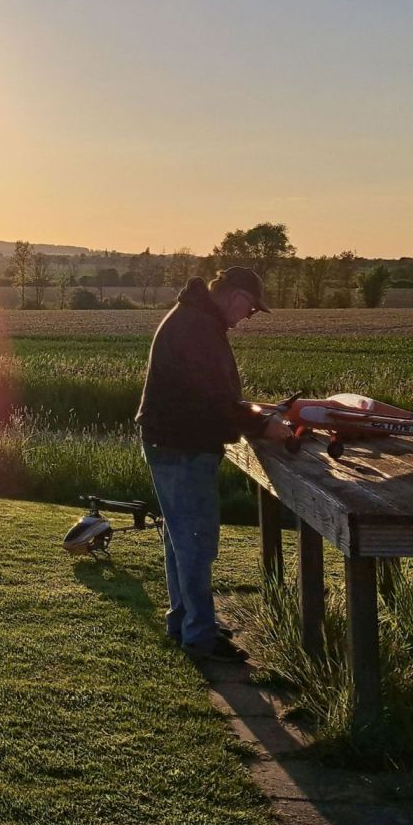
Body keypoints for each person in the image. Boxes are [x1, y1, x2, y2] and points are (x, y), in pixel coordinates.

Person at [135, 268, 282, 662]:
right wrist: (265, 426)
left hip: (171, 441)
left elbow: (213, 395)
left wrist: (253, 415)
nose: (248, 317)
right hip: (182, 446)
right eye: (251, 308)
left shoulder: (194, 318)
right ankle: (199, 635)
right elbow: (216, 398)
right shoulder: (199, 327)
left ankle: (185, 622)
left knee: (180, 539)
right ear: (235, 296)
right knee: (196, 543)